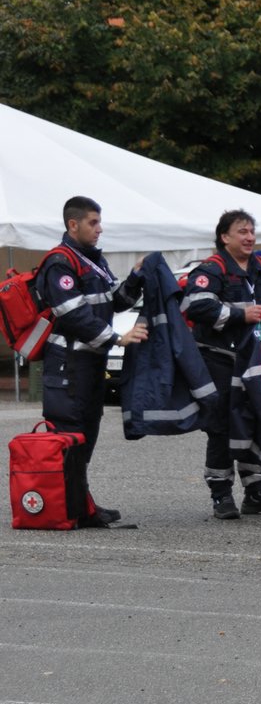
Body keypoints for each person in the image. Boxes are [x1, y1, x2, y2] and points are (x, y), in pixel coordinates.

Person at [33, 196, 148, 527]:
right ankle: (69, 509)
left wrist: (137, 277)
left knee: (85, 435)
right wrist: (116, 339)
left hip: (88, 365)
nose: (100, 229)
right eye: (93, 223)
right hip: (68, 364)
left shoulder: (91, 260)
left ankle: (80, 504)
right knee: (70, 436)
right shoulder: (60, 262)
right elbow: (72, 315)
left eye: (99, 222)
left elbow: (116, 301)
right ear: (73, 225)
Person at [181, 209, 261, 520]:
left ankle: (256, 492)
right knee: (220, 428)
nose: (249, 237)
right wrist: (240, 314)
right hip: (219, 361)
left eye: (251, 231)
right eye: (242, 231)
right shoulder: (211, 269)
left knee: (255, 421)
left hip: (258, 361)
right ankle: (221, 494)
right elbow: (196, 306)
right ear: (225, 237)